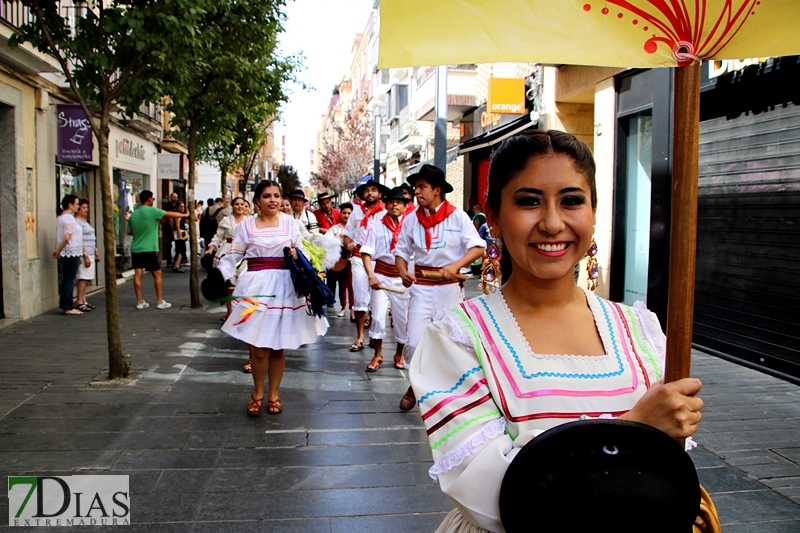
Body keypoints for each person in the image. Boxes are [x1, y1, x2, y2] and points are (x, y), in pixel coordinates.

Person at [409, 130, 704, 533]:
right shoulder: (458, 338)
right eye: (529, 202)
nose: (551, 223)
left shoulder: (640, 330)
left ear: (594, 212)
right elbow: (491, 493)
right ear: (493, 215)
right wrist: (639, 430)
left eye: (572, 201)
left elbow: (665, 473)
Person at [218, 180, 328, 415]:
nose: (273, 200)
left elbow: (304, 249)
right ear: (257, 201)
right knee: (258, 348)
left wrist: (297, 253)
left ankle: (274, 395)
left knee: (278, 347)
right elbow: (234, 254)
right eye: (267, 196)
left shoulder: (290, 223)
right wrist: (220, 276)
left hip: (285, 287)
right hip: (255, 288)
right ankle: (257, 392)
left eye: (277, 196)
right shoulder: (246, 226)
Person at [394, 164, 486, 410]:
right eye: (416, 187)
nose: (417, 192)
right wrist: (403, 271)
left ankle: (440, 391)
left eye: (422, 187)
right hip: (422, 288)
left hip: (449, 289)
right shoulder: (411, 219)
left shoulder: (458, 216)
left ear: (437, 190)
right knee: (414, 342)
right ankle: (416, 384)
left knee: (451, 342)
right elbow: (401, 252)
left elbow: (478, 247)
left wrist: (455, 265)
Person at [361, 187, 412, 372]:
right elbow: (366, 253)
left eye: (398, 202)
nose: (394, 205)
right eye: (391, 201)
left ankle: (399, 354)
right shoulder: (376, 225)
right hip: (381, 278)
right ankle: (378, 355)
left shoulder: (411, 226)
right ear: (386, 204)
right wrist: (371, 276)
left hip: (402, 279)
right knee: (378, 318)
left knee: (401, 319)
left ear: (406, 206)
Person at [342, 178, 389, 351]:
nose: (370, 193)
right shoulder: (356, 212)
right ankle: (360, 336)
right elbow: (347, 234)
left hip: (379, 259)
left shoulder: (386, 212)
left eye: (373, 190)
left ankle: (374, 336)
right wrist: (348, 243)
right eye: (367, 190)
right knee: (360, 298)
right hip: (359, 257)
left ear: (380, 193)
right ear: (362, 194)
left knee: (377, 298)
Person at [127, 190, 189, 310]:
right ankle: (159, 301)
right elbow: (170, 214)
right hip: (149, 248)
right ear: (149, 199)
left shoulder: (134, 214)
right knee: (157, 274)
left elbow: (129, 231)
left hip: (136, 248)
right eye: (153, 199)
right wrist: (185, 215)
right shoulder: (152, 211)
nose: (153, 201)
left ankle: (139, 301)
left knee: (138, 275)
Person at [205, 197, 249, 324]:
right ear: (232, 206)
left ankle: (241, 312)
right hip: (228, 252)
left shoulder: (250, 221)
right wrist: (211, 248)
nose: (240, 206)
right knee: (228, 285)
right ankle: (230, 312)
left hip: (244, 254)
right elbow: (218, 237)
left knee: (242, 284)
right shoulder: (226, 220)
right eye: (237, 204)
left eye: (242, 204)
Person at [53, 195, 84, 315]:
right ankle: (68, 306)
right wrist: (57, 250)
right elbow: (66, 237)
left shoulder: (60, 218)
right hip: (71, 250)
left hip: (67, 251)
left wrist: (58, 249)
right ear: (70, 205)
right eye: (76, 204)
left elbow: (59, 236)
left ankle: (66, 304)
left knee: (67, 278)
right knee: (70, 279)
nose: (78, 206)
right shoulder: (69, 218)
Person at [327, 202, 355, 319]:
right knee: (342, 284)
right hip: (340, 260)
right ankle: (343, 307)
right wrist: (336, 240)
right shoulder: (335, 229)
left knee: (352, 285)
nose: (347, 215)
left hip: (353, 260)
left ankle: (353, 309)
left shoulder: (356, 228)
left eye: (349, 213)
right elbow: (326, 241)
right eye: (344, 213)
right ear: (340, 214)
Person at [74, 198, 99, 312]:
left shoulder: (84, 221)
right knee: (83, 277)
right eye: (83, 207)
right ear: (77, 209)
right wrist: (85, 255)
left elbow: (90, 238)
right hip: (84, 253)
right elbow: (79, 239)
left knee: (87, 276)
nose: (86, 210)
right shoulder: (76, 222)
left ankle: (84, 299)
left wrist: (95, 250)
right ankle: (79, 300)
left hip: (90, 251)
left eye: (87, 207)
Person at [171, 202, 189, 273]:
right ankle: (177, 265)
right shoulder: (178, 215)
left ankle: (176, 264)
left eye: (183, 207)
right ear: (177, 207)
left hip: (181, 233)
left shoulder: (180, 215)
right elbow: (177, 226)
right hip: (179, 234)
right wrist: (180, 235)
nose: (182, 208)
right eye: (181, 206)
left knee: (180, 249)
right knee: (180, 249)